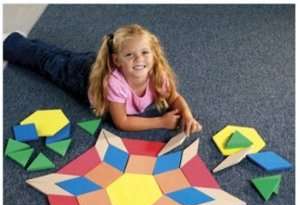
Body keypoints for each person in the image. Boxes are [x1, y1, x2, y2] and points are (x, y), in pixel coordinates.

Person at [4, 24, 202, 136]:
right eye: (130, 55)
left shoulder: (157, 74)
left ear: (154, 54)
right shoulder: (116, 84)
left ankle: (21, 42)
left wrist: (187, 114)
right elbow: (122, 122)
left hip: (92, 64)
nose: (139, 59)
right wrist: (160, 122)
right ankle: (9, 43)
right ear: (117, 60)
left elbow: (175, 97)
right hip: (82, 78)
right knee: (49, 61)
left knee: (60, 55)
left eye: (144, 52)